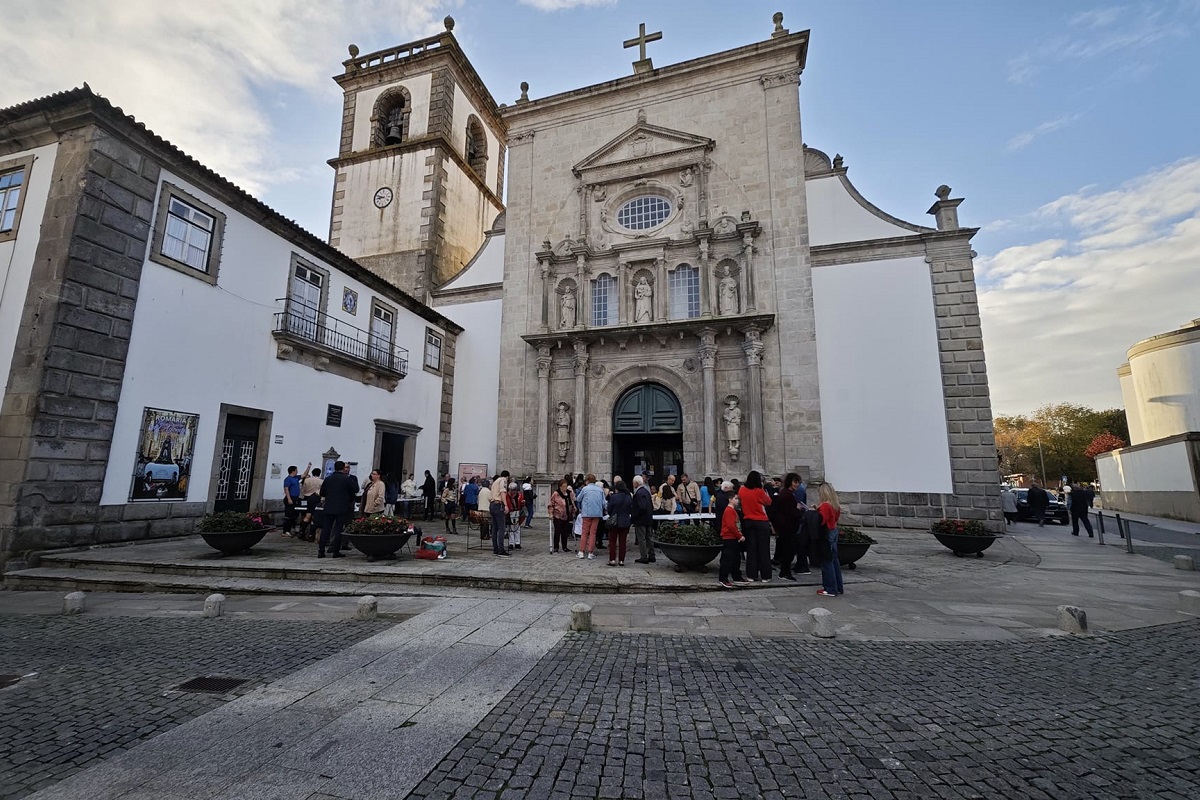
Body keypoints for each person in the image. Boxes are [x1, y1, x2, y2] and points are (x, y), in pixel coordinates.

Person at [738, 470, 773, 582]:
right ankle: (765, 575)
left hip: (748, 521)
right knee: (763, 549)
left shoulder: (742, 490)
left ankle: (751, 575)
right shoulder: (759, 491)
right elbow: (769, 502)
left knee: (751, 549)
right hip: (761, 521)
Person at [318, 461, 358, 558]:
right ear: (343, 468)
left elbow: (322, 493)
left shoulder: (328, 479)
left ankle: (321, 551)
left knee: (326, 529)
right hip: (341, 507)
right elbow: (355, 490)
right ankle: (336, 551)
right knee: (338, 529)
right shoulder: (346, 479)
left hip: (329, 506)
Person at [769, 472, 803, 581]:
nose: (797, 485)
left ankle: (785, 571)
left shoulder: (786, 493)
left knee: (789, 550)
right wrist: (798, 509)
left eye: (798, 482)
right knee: (788, 550)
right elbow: (789, 512)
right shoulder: (787, 495)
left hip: (787, 526)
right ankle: (784, 572)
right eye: (795, 482)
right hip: (787, 527)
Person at [816, 483, 844, 597]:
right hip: (834, 530)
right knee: (834, 561)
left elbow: (821, 521)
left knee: (827, 561)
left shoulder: (825, 506)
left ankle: (830, 588)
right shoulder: (835, 505)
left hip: (826, 533)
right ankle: (838, 586)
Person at [718, 493, 751, 588]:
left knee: (736, 559)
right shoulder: (729, 510)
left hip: (733, 537)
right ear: (730, 499)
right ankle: (723, 578)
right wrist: (739, 535)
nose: (738, 500)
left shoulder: (733, 510)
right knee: (727, 559)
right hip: (729, 537)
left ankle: (736, 576)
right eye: (736, 498)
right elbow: (731, 525)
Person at [576, 473, 606, 560]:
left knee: (585, 532)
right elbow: (604, 503)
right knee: (593, 533)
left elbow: (578, 499)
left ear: (587, 481)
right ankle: (590, 552)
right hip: (597, 513)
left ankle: (581, 551)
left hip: (587, 513)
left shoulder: (585, 489)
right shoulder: (600, 490)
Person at [606, 479, 633, 566]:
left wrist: (612, 514)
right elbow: (630, 509)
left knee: (613, 541)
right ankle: (622, 560)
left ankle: (612, 559)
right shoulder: (629, 497)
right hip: (625, 521)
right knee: (623, 542)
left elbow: (609, 509)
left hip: (615, 521)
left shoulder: (614, 497)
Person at [631, 474, 656, 564]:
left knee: (641, 538)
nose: (633, 485)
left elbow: (641, 507)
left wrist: (634, 515)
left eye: (634, 483)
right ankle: (652, 555)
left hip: (641, 519)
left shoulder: (639, 493)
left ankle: (644, 556)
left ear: (637, 483)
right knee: (649, 537)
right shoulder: (646, 492)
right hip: (648, 518)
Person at [548, 478, 576, 553]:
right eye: (563, 486)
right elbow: (551, 504)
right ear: (560, 486)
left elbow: (572, 502)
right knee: (557, 531)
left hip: (567, 515)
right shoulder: (556, 494)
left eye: (566, 486)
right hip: (558, 515)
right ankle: (556, 547)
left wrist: (574, 509)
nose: (565, 488)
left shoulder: (569, 493)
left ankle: (565, 547)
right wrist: (550, 513)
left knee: (565, 532)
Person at [490, 471, 511, 556]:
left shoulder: (495, 481)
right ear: (507, 476)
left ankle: (495, 548)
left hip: (492, 504)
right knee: (501, 528)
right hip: (499, 504)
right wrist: (506, 505)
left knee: (495, 528)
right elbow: (503, 492)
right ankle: (501, 550)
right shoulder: (503, 480)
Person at [299, 467, 323, 541]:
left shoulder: (307, 480)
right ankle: (311, 534)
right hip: (316, 498)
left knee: (306, 516)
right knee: (314, 516)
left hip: (307, 497)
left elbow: (303, 490)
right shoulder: (321, 481)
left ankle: (302, 531)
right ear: (319, 473)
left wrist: (301, 497)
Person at [281, 465, 303, 537]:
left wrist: (308, 467)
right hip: (290, 498)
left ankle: (290, 529)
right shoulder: (288, 479)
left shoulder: (296, 478)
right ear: (293, 471)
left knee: (294, 515)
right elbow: (286, 489)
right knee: (288, 515)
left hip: (296, 498)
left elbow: (304, 475)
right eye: (296, 470)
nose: (297, 471)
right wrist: (289, 498)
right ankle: (285, 531)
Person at [506, 481, 524, 549]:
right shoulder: (507, 495)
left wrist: (523, 503)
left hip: (517, 511)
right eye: (511, 490)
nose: (513, 491)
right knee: (510, 528)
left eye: (514, 489)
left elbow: (521, 503)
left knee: (517, 528)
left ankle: (517, 542)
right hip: (510, 512)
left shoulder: (520, 495)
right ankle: (511, 543)